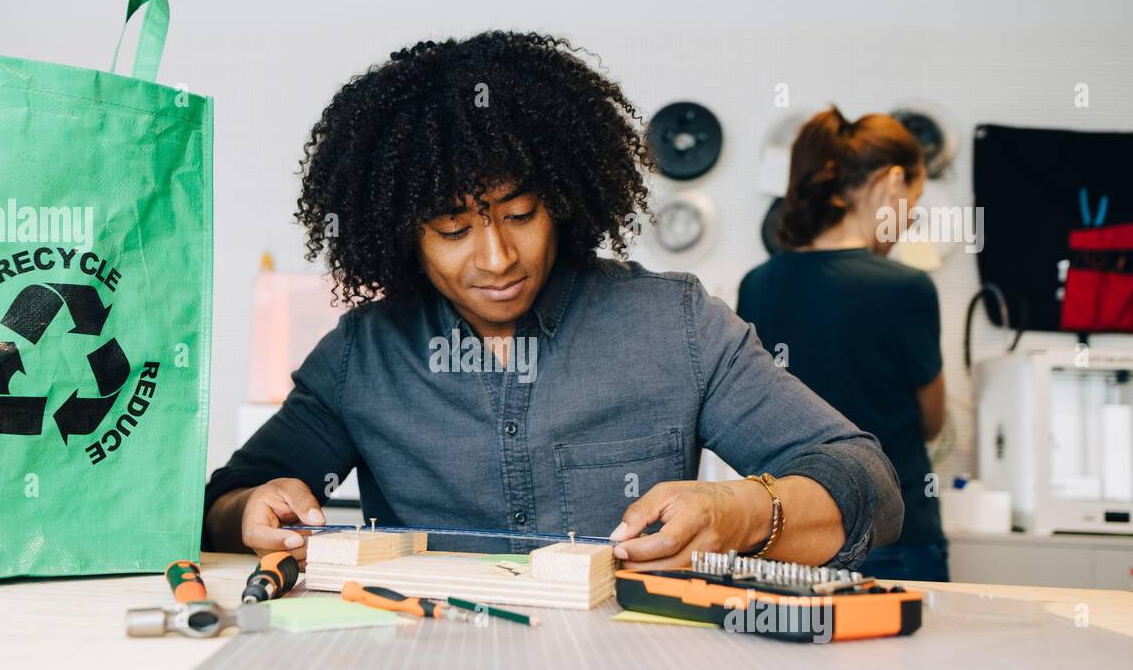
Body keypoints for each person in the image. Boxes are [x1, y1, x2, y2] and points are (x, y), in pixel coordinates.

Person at [204, 34, 903, 570]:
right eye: (453, 229)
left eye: (521, 213)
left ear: (564, 203)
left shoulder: (674, 326)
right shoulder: (362, 357)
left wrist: (746, 511)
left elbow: (868, 482)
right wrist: (249, 510)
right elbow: (227, 501)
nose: (498, 257)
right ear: (400, 235)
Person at [737, 107, 948, 582]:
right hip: (896, 533)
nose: (910, 219)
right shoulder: (908, 287)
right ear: (894, 180)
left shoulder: (758, 285)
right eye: (913, 201)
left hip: (793, 535)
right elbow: (932, 421)